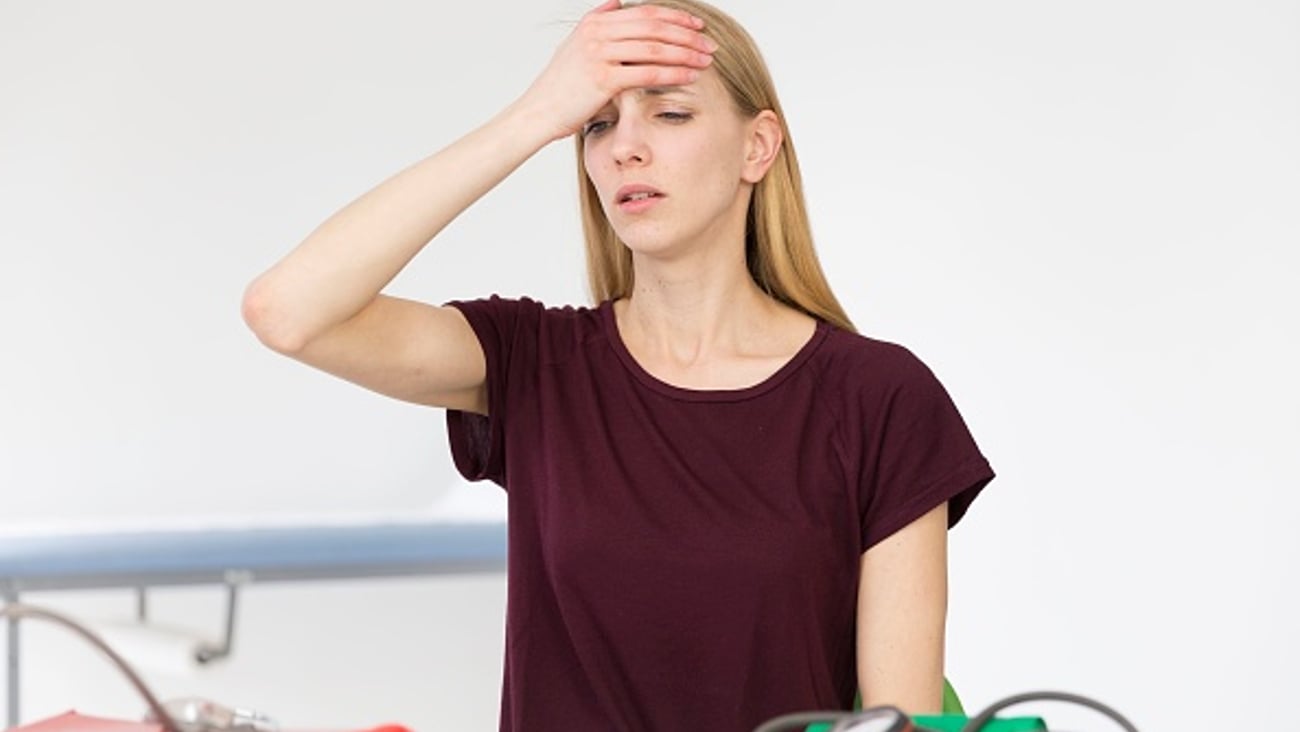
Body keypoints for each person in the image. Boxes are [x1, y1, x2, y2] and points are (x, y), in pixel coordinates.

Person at [241, 0, 994, 729]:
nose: (626, 147)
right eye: (598, 124)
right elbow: (289, 312)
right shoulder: (534, 364)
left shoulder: (880, 399)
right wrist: (536, 116)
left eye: (670, 114)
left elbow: (905, 724)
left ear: (757, 146)